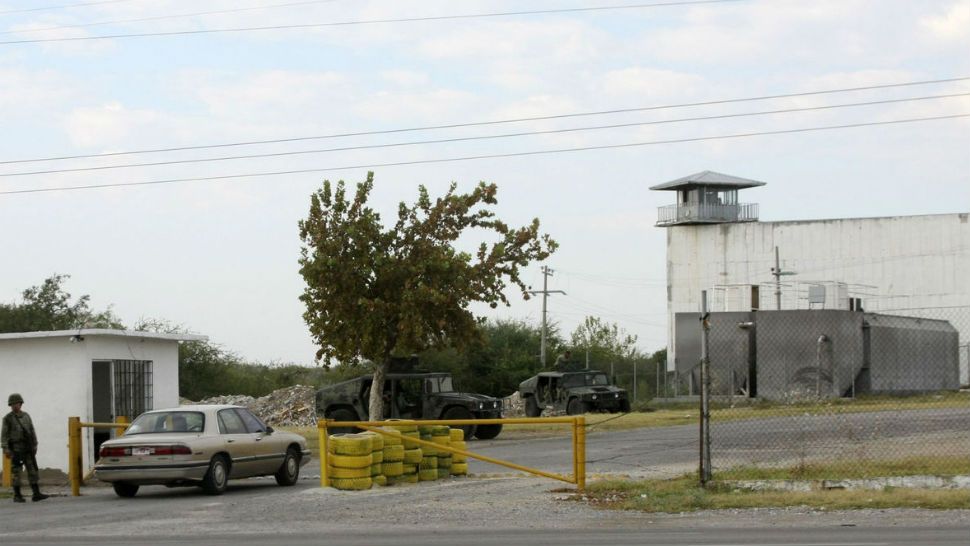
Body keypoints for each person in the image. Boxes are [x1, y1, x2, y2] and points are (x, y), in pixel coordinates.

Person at [2, 393, 49, 502]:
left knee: (32, 470)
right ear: (10, 405)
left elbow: (32, 430)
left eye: (16, 403)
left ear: (20, 403)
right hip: (16, 448)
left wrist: (35, 444)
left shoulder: (26, 416)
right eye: (12, 404)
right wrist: (6, 449)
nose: (15, 405)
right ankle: (17, 495)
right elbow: (4, 435)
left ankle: (36, 493)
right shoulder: (7, 419)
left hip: (27, 447)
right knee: (16, 472)